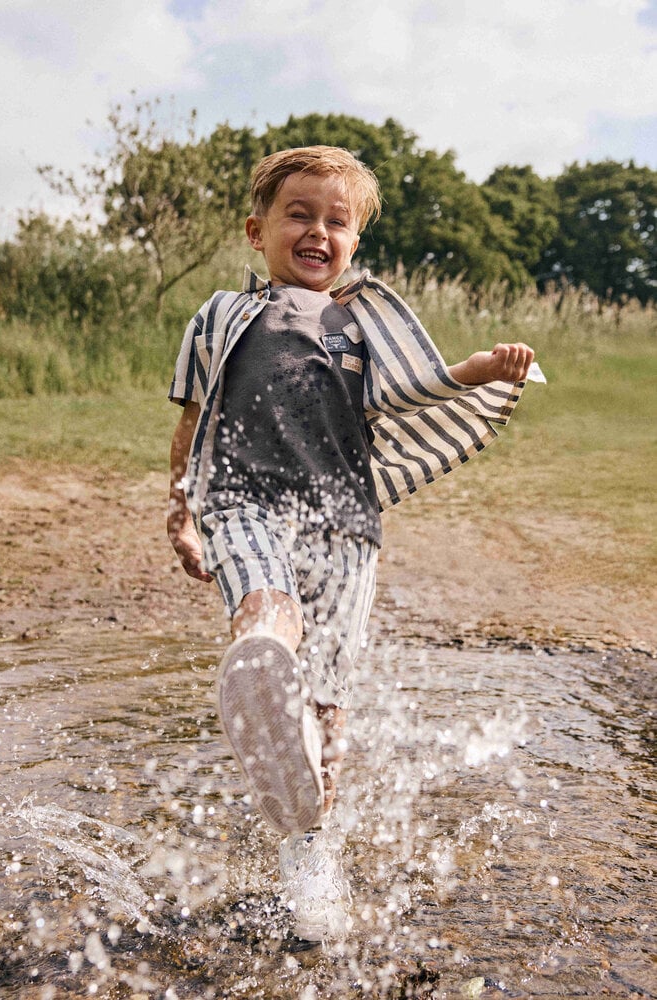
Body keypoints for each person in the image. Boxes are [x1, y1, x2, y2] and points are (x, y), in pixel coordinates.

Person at [167, 145, 537, 942]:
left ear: (354, 243)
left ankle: (310, 847)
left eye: (337, 222)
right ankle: (264, 667)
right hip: (241, 500)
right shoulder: (220, 317)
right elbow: (193, 419)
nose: (318, 232)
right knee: (267, 607)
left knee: (329, 700)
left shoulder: (362, 324)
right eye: (299, 215)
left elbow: (415, 389)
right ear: (257, 231)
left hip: (345, 525)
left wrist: (479, 369)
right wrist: (181, 513)